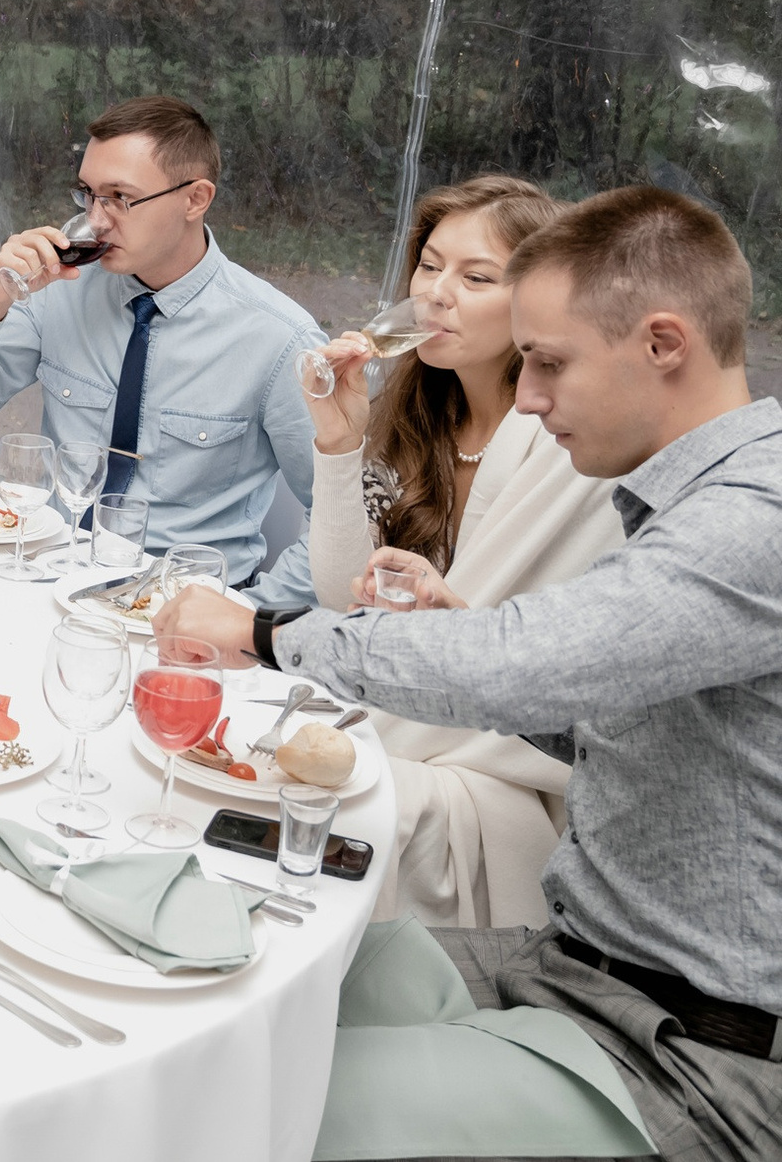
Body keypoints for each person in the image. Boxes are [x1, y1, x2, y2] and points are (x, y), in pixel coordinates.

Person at [157, 186, 782, 1162]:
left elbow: (548, 658)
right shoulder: (690, 496)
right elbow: (604, 714)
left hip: (693, 1056)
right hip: (567, 968)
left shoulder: (754, 517)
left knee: (252, 1110)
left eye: (548, 362)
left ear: (663, 343)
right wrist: (465, 621)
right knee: (233, 995)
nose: (527, 395)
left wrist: (260, 629)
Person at [302, 176, 625, 931]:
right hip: (403, 718)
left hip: (495, 770)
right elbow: (343, 598)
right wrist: (338, 442)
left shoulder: (562, 444)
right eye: (429, 265)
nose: (436, 295)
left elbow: (488, 656)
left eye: (476, 277)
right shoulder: (422, 416)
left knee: (313, 801)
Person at [0, 95, 321, 604]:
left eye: (120, 198)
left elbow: (338, 520)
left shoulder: (280, 339)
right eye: (87, 194)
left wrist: (254, 618)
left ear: (195, 199)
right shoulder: (58, 289)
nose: (96, 220)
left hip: (186, 611)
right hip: (50, 582)